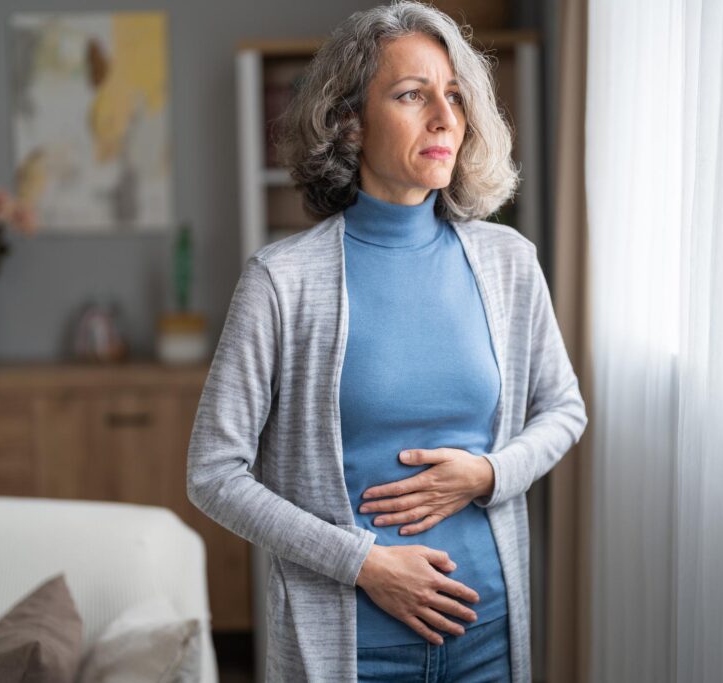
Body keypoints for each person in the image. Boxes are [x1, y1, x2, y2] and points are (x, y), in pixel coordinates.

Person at [186, 2, 587, 681]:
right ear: (349, 121)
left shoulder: (508, 261)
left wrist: (489, 473)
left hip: (488, 633)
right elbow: (213, 473)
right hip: (353, 646)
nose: (444, 118)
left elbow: (564, 409)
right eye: (412, 94)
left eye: (454, 96)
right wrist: (364, 563)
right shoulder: (282, 281)